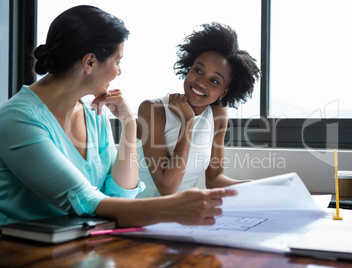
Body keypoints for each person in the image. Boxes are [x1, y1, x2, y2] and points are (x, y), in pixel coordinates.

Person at [0, 5, 237, 227]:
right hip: (25, 253)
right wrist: (170, 209)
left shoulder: (93, 113)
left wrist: (129, 124)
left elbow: (120, 195)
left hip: (84, 246)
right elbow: (87, 202)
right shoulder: (18, 120)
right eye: (117, 61)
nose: (119, 71)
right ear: (90, 62)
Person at [136, 22, 261, 198]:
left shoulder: (217, 115)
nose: (201, 82)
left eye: (215, 81)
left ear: (224, 91)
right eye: (198, 70)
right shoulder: (153, 109)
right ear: (189, 67)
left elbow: (214, 179)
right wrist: (187, 121)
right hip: (139, 214)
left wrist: (254, 186)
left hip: (181, 215)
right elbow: (168, 188)